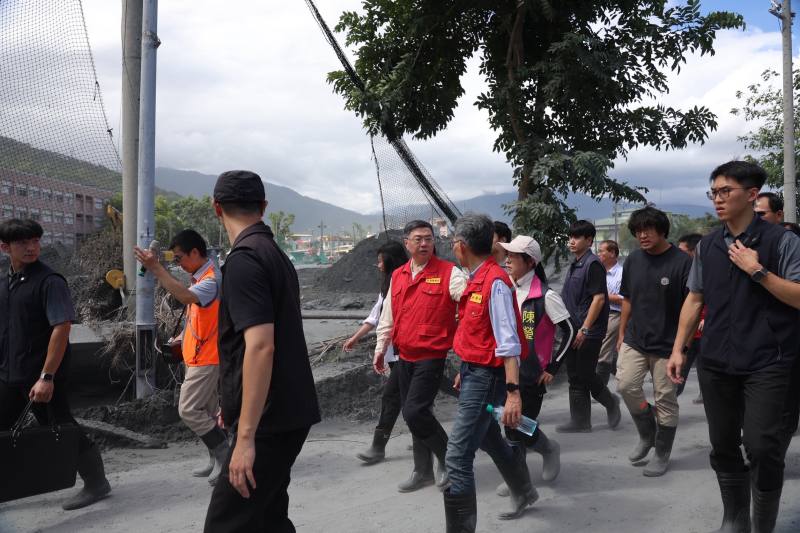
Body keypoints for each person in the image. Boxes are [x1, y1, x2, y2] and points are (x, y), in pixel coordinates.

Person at [667, 161, 800, 533]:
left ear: (752, 194)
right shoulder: (708, 245)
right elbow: (694, 300)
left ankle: (764, 523)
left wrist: (757, 271)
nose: (717, 200)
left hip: (768, 362)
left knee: (762, 447)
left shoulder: (783, 242)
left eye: (725, 192)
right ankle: (735, 517)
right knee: (723, 445)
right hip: (716, 361)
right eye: (714, 193)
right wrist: (679, 349)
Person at [203, 171, 321, 533]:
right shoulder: (273, 254)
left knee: (225, 525)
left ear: (216, 207)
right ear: (264, 207)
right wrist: (232, 404)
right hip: (286, 412)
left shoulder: (244, 260)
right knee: (268, 518)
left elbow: (260, 346)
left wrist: (246, 438)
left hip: (269, 421)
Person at [0, 219, 111, 510]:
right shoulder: (6, 283)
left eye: (35, 241)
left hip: (43, 376)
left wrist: (47, 376)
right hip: (10, 374)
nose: (31, 247)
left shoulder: (50, 282)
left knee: (61, 426)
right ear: (4, 247)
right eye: (23, 242)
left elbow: (61, 328)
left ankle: (97, 483)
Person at [443, 214, 537, 532]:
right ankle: (524, 491)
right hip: (475, 373)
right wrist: (465, 369)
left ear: (461, 246)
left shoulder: (494, 283)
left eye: (454, 243)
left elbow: (508, 343)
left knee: (456, 457)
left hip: (488, 378)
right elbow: (480, 335)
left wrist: (513, 394)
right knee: (489, 439)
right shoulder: (478, 277)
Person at [374, 220, 467, 493]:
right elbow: (388, 315)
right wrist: (381, 348)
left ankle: (449, 458)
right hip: (404, 355)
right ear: (407, 243)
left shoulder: (450, 273)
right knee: (418, 414)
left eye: (428, 238)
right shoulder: (399, 275)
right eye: (418, 239)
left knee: (413, 411)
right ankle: (422, 471)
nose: (424, 243)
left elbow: (472, 302)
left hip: (432, 355)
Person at [134, 229, 228, 484]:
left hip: (207, 359)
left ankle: (225, 456)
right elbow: (197, 316)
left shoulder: (211, 280)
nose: (178, 263)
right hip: (196, 355)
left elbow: (185, 297)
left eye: (179, 258)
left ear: (195, 253)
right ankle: (216, 459)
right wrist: (182, 338)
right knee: (207, 412)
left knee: (188, 410)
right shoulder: (199, 277)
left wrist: (156, 268)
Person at [493, 235, 575, 496]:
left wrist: (552, 367)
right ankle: (542, 452)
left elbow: (570, 331)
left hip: (532, 375)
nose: (507, 261)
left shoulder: (546, 296)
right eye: (507, 256)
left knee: (516, 426)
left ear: (530, 262)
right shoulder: (504, 288)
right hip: (506, 370)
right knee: (511, 425)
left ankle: (533, 463)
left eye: (513, 257)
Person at [615, 207, 692, 477]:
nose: (642, 235)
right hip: (636, 338)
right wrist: (622, 332)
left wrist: (680, 348)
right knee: (626, 385)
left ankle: (662, 452)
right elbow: (628, 299)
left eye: (647, 229)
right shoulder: (634, 259)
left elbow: (691, 307)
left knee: (665, 398)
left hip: (668, 345)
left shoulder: (682, 262)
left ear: (662, 230)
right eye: (637, 231)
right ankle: (647, 433)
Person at [343, 240, 408, 465]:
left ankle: (378, 447)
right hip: (393, 353)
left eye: (381, 261)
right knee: (410, 401)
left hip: (405, 352)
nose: (378, 265)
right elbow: (376, 316)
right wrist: (355, 338)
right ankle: (426, 442)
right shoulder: (387, 286)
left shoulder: (402, 283)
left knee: (393, 398)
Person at [557, 220, 621, 433]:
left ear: (589, 240)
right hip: (573, 328)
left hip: (588, 330)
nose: (572, 241)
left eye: (577, 237)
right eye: (570, 237)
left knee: (584, 373)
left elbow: (599, 299)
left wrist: (585, 328)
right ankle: (580, 421)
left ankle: (611, 403)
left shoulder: (592, 264)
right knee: (574, 374)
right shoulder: (577, 263)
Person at [676, 233, 704, 403]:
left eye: (682, 251)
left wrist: (706, 318)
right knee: (680, 368)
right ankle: (667, 404)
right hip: (688, 332)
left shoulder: (707, 270)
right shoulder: (681, 270)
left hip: (705, 332)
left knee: (705, 370)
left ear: (694, 251)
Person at [596, 239, 623, 385]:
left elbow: (623, 299)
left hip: (614, 314)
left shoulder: (622, 273)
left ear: (612, 253)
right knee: (602, 350)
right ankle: (624, 376)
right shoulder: (598, 271)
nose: (598, 253)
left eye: (602, 251)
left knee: (603, 351)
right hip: (597, 314)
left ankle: (600, 389)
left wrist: (601, 295)